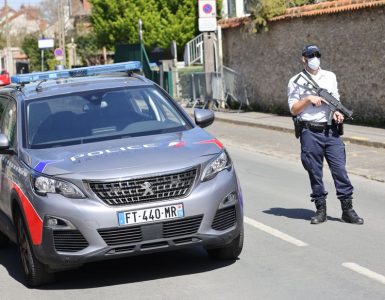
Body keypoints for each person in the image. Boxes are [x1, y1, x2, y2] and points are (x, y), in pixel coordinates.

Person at [287, 44, 363, 225]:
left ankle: (347, 210)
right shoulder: (295, 80)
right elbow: (293, 109)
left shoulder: (330, 76)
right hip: (309, 132)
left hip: (331, 132)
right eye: (310, 55)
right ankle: (320, 210)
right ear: (303, 58)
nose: (314, 58)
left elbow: (334, 100)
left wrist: (337, 112)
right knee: (315, 172)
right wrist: (307, 99)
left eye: (317, 54)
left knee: (340, 170)